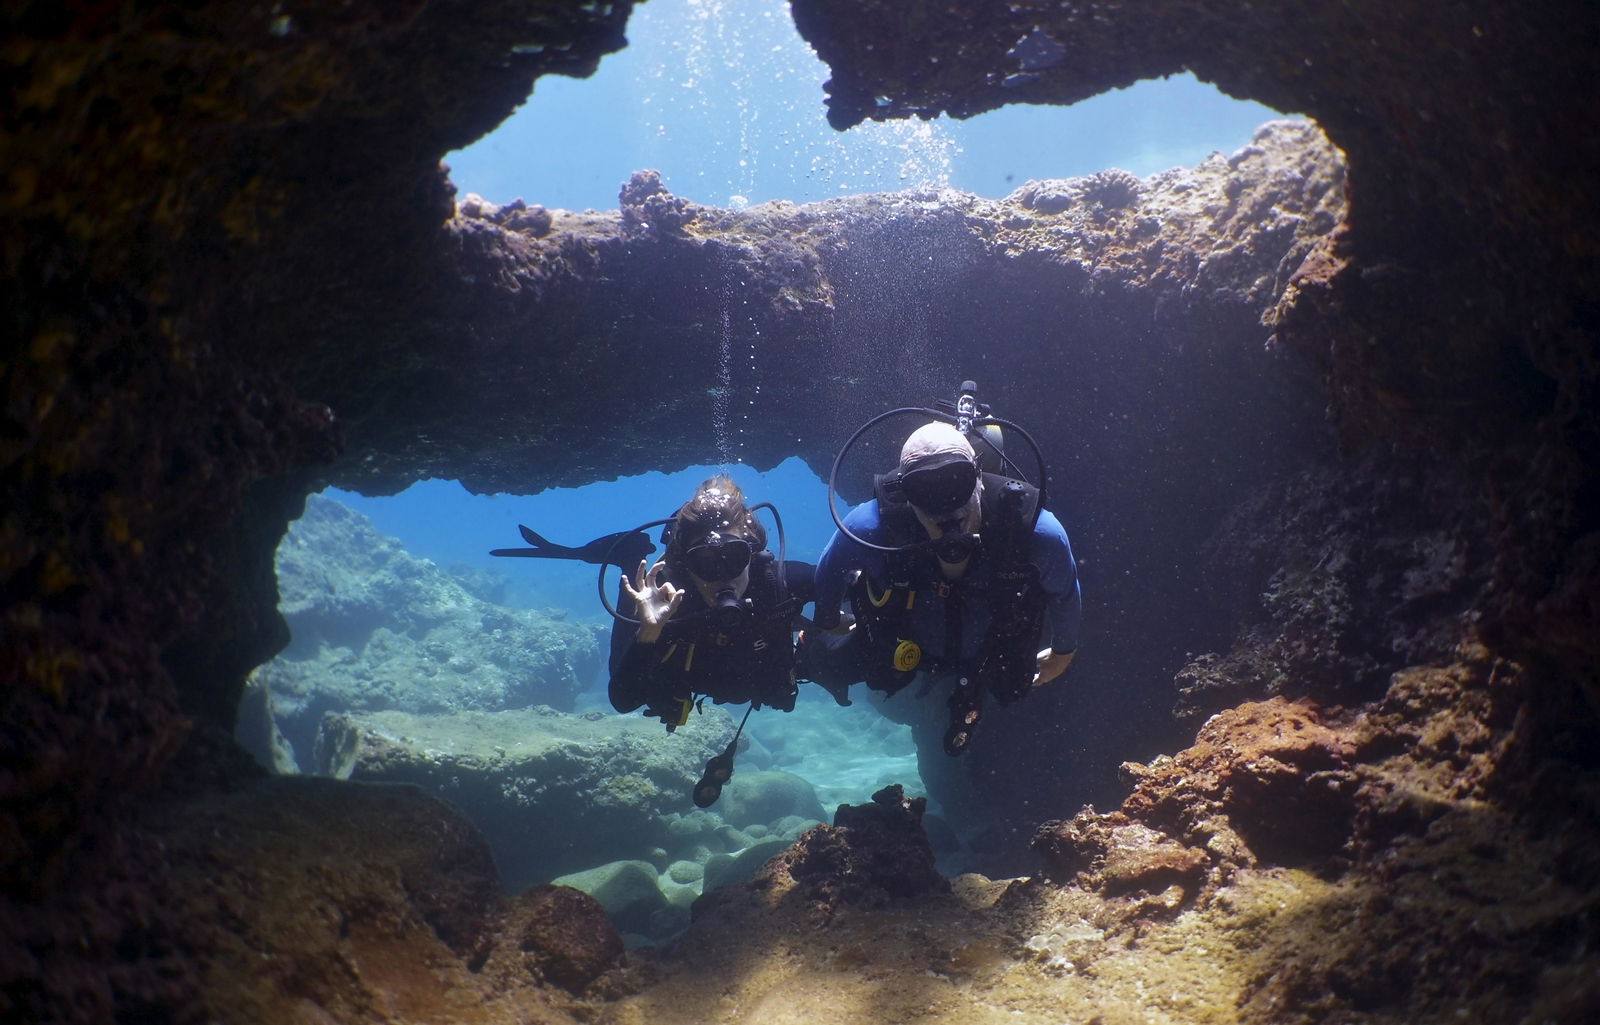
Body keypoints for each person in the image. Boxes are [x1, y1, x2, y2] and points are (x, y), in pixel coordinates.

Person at [808, 421, 1081, 755]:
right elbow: (830, 569)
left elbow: (1064, 591)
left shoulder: (1034, 531)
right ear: (905, 495)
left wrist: (1064, 651)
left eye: (957, 482)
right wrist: (825, 618)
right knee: (845, 666)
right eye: (926, 491)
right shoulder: (871, 527)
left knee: (1011, 685)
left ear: (979, 476)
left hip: (991, 651)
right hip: (909, 647)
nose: (947, 508)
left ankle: (971, 697)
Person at [607, 474, 813, 727]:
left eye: (734, 557)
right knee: (635, 596)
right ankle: (631, 557)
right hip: (682, 662)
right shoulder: (666, 602)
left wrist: (831, 617)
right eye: (705, 562)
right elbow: (623, 700)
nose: (722, 577)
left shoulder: (776, 582)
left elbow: (853, 581)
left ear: (751, 553)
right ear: (686, 567)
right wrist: (648, 632)